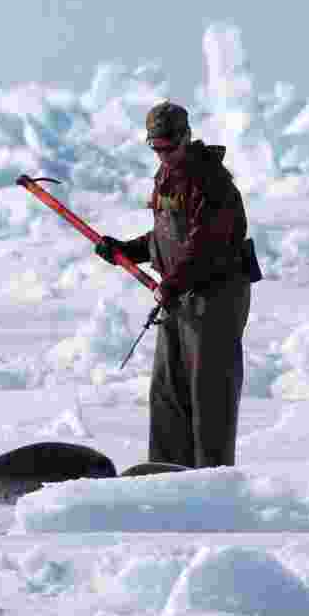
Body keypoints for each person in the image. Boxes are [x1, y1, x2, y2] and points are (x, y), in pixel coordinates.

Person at [94, 101, 259, 468]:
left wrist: (172, 282)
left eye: (169, 146)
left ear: (186, 136)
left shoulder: (210, 181)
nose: (163, 154)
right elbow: (167, 235)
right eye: (156, 148)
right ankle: (167, 477)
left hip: (214, 297)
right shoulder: (168, 178)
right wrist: (126, 249)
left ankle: (209, 480)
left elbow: (207, 242)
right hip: (177, 294)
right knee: (168, 390)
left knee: (209, 393)